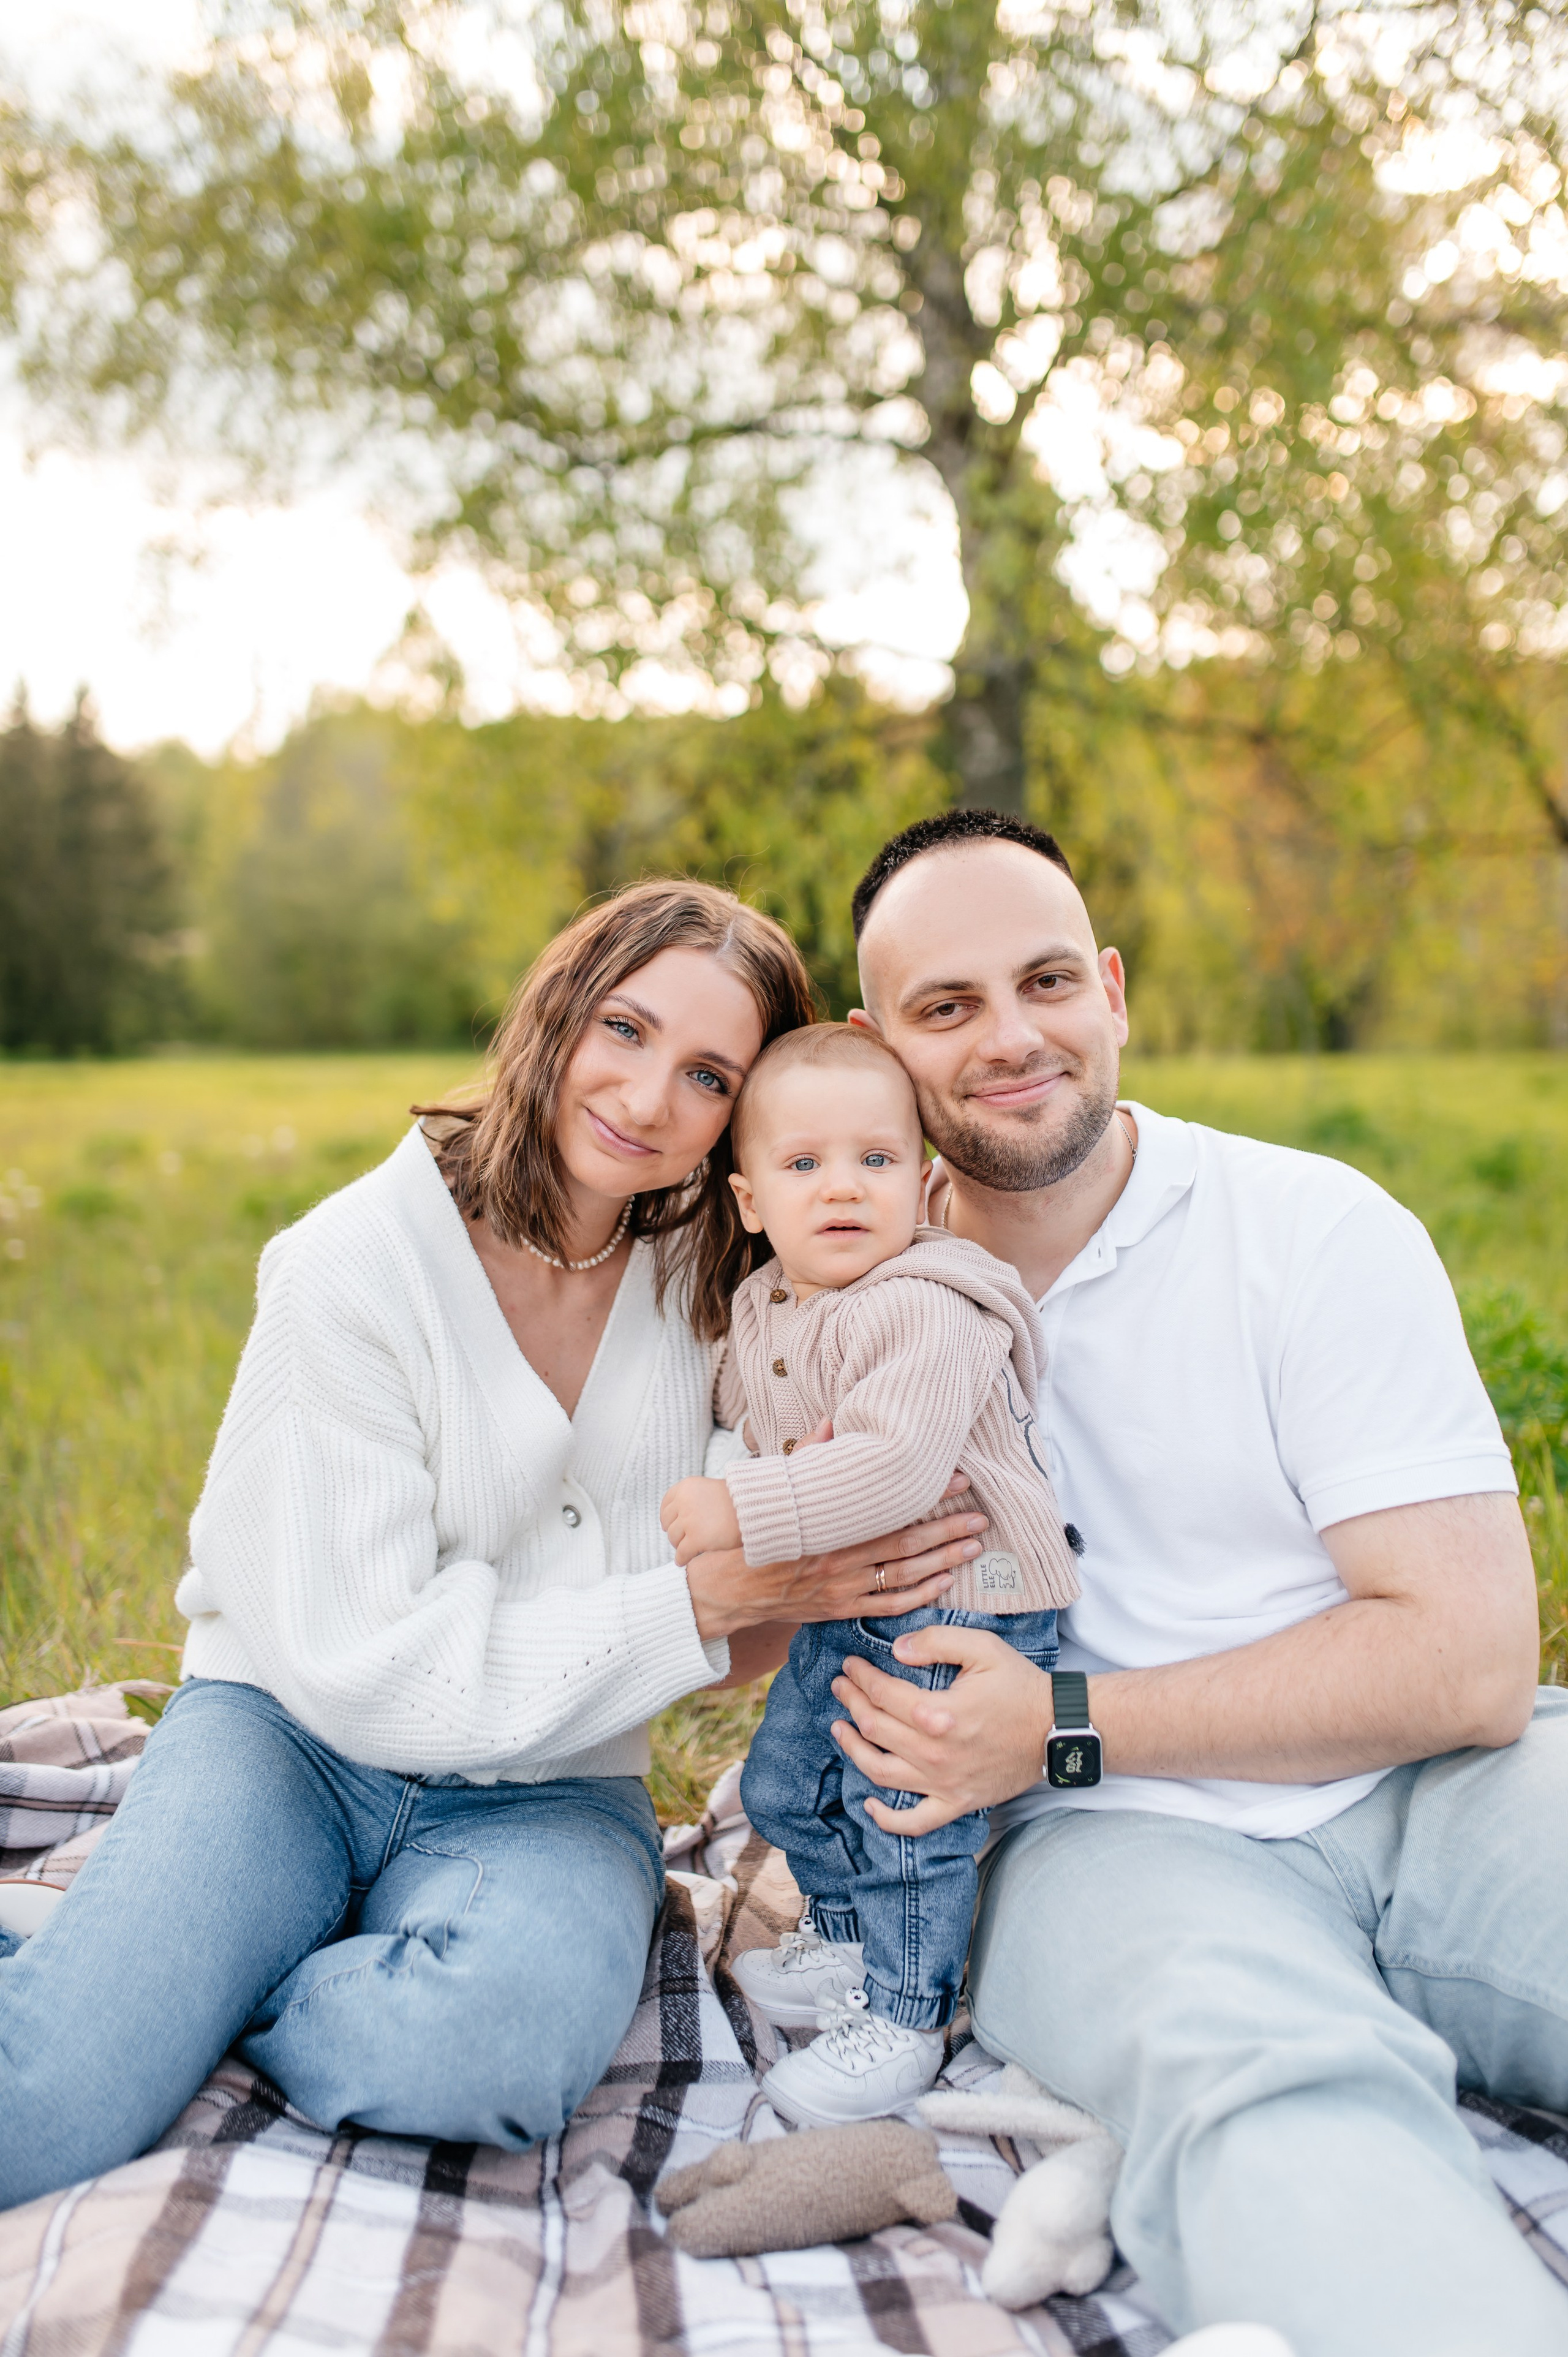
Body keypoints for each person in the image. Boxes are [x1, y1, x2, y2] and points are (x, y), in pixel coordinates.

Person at [0, 880, 990, 2213]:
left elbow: (745, 1626)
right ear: (559, 1007)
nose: (646, 1101)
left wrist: (799, 1556)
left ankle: (221, 1979)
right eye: (625, 1030)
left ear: (742, 1125)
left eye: (706, 1075)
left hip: (552, 1781)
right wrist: (698, 1593)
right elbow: (367, 1664)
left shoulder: (722, 1278)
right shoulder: (349, 1268)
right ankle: (151, 1973)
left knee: (481, 2055)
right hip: (293, 1738)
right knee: (48, 2104)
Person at [813, 810, 1565, 2357]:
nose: (1011, 1038)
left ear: (1110, 989)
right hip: (1111, 1850)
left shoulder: (1308, 1229)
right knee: (1271, 2088)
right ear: (869, 1045)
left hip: (1434, 1784)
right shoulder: (835, 1299)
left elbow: (1475, 1657)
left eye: (1042, 984)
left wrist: (1060, 1719)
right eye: (945, 1007)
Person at [660, 1022, 1079, 2126]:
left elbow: (893, 1467)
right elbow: (739, 1419)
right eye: (805, 1166)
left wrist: (742, 1510)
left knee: (906, 1811)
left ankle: (907, 2012)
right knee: (786, 1782)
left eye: (875, 1162)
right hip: (856, 1602)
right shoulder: (766, 1309)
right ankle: (844, 1942)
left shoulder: (928, 1304)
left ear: (926, 1185)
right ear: (750, 1202)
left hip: (965, 1607)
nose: (842, 1190)